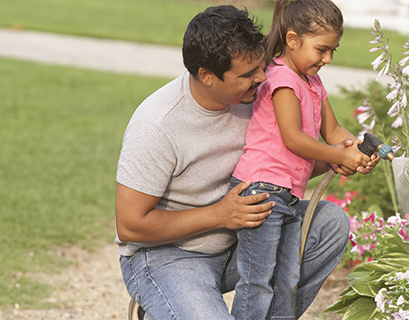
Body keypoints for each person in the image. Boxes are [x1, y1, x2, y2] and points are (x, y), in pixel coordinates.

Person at [114, 5, 377, 320]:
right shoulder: (157, 125)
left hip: (245, 237)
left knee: (329, 224)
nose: (262, 77)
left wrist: (340, 159)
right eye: (247, 75)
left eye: (261, 65)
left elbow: (280, 165)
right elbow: (130, 225)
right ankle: (162, 305)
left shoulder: (258, 95)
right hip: (171, 255)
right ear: (207, 76)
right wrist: (220, 215)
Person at [228, 0, 369, 319]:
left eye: (334, 50)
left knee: (287, 279)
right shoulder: (282, 80)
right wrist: (339, 155)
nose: (328, 58)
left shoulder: (312, 82)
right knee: (257, 281)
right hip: (260, 193)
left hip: (286, 196)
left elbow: (332, 130)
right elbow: (295, 139)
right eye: (322, 49)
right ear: (293, 40)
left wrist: (355, 151)